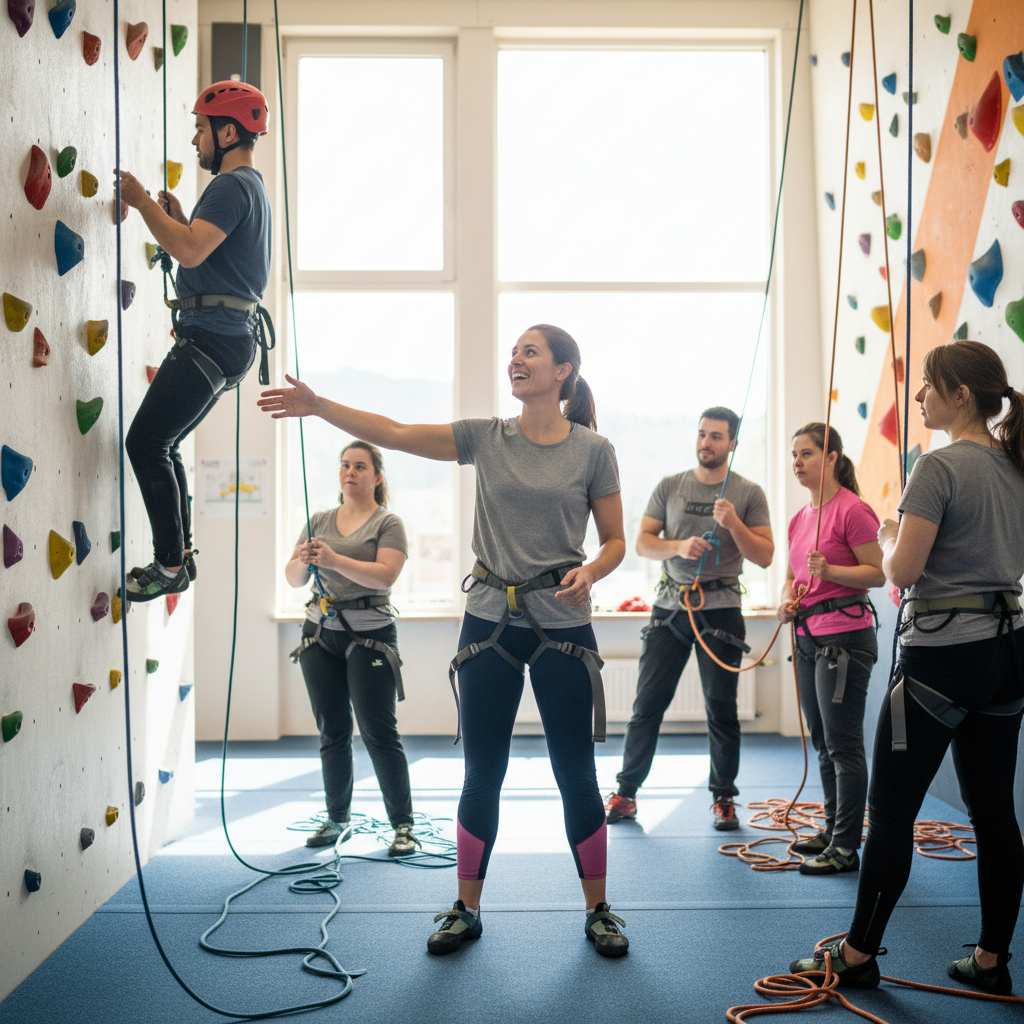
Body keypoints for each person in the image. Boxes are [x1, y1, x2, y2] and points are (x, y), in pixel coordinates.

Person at [259, 324, 630, 958]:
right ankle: (466, 906)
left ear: (564, 370)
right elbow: (397, 434)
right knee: (482, 771)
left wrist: (591, 571)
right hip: (488, 621)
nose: (515, 359)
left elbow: (616, 541)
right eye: (513, 351)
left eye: (530, 352)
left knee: (577, 772)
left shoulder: (593, 450)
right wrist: (319, 406)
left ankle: (599, 910)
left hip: (563, 625)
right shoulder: (487, 437)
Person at [789, 341, 1024, 996]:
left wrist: (891, 539)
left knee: (890, 811)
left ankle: (859, 954)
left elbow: (902, 572)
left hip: (941, 660)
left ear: (960, 397)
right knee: (995, 815)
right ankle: (990, 959)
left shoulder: (939, 467)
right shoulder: (1017, 463)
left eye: (927, 385)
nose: (919, 396)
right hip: (1008, 654)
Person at [117, 81, 273, 602]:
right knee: (165, 443)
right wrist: (182, 220)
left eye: (201, 130)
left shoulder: (231, 187)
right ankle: (177, 556)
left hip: (213, 340)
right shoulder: (251, 188)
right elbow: (206, 252)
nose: (195, 141)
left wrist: (140, 201)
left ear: (228, 132)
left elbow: (187, 253)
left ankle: (169, 564)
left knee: (145, 442)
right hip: (224, 341)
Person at [605, 408, 774, 831]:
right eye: (702, 434)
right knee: (647, 705)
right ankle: (626, 793)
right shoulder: (670, 486)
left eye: (717, 436)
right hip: (670, 609)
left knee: (721, 709)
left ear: (732, 443)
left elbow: (766, 556)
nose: (707, 442)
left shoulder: (748, 493)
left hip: (720, 609)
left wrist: (734, 523)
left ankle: (723, 798)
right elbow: (642, 543)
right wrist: (679, 548)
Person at [285, 442, 418, 857]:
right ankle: (337, 817)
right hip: (319, 634)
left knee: (380, 733)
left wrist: (334, 558)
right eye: (345, 465)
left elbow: (385, 575)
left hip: (370, 634)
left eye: (360, 466)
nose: (350, 472)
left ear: (377, 476)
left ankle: (403, 826)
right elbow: (292, 578)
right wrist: (306, 561)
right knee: (333, 732)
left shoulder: (388, 523)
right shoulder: (319, 520)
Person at [777, 424, 884, 875]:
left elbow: (878, 574)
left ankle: (845, 845)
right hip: (806, 638)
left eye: (806, 454)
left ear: (832, 458)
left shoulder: (854, 511)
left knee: (843, 744)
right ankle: (831, 828)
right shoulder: (801, 519)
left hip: (845, 638)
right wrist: (786, 598)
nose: (797, 462)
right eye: (794, 455)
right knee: (823, 740)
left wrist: (833, 569)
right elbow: (791, 575)